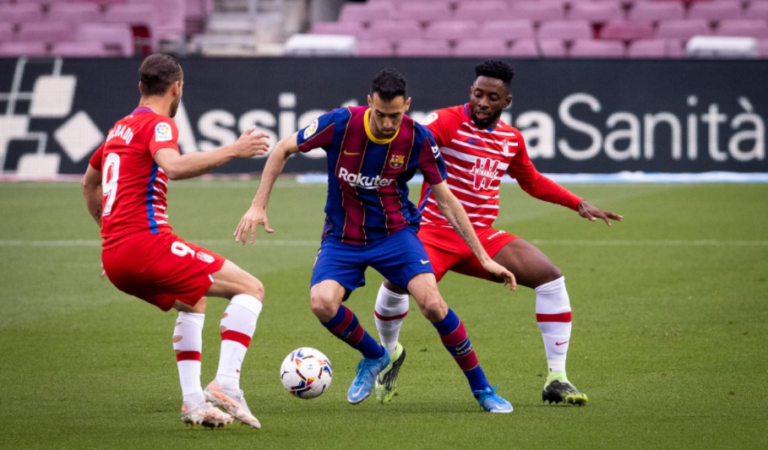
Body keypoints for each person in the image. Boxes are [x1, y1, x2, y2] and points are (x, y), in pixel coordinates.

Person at [235, 68, 517, 413]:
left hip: (395, 235)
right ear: (369, 103)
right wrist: (258, 204)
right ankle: (375, 356)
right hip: (342, 238)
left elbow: (447, 200)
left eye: (395, 115)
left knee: (433, 305)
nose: (387, 124)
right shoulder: (340, 123)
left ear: (407, 106)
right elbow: (282, 149)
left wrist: (484, 257)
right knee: (322, 303)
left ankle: (483, 390)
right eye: (381, 115)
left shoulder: (418, 139)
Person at [372, 60, 623, 406]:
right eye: (478, 94)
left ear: (507, 102)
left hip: (483, 237)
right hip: (435, 231)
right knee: (395, 283)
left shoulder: (510, 139)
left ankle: (557, 379)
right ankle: (388, 355)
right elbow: (408, 144)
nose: (483, 102)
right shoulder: (445, 122)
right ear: (470, 93)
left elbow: (531, 180)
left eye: (493, 96)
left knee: (550, 278)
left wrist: (577, 202)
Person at [80, 54, 271, 429]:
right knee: (251, 288)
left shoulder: (118, 128)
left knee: (193, 299)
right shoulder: (160, 124)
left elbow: (89, 183)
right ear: (177, 88)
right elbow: (174, 165)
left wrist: (111, 235)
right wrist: (233, 150)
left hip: (116, 254)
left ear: (140, 87)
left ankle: (193, 403)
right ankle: (227, 386)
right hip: (145, 245)